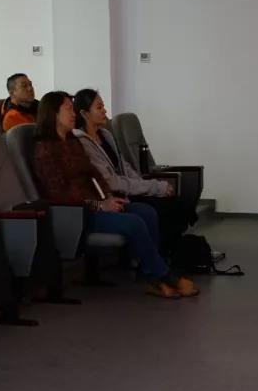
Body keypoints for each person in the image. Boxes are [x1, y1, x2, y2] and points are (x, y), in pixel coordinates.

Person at [32, 91, 198, 299]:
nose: (73, 113)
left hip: (97, 204)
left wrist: (107, 198)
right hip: (78, 214)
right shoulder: (46, 151)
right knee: (134, 222)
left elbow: (95, 176)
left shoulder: (72, 142)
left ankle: (151, 274)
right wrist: (99, 205)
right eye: (68, 109)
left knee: (146, 212)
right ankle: (162, 276)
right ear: (53, 114)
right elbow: (59, 195)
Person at [73, 88, 196, 256]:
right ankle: (156, 257)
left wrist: (146, 184)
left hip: (127, 189)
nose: (105, 111)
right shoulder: (83, 142)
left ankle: (170, 254)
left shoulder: (106, 135)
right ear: (84, 113)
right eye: (99, 107)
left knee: (174, 202)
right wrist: (153, 187)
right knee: (157, 207)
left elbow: (124, 167)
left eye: (103, 106)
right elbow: (112, 182)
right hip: (114, 195)